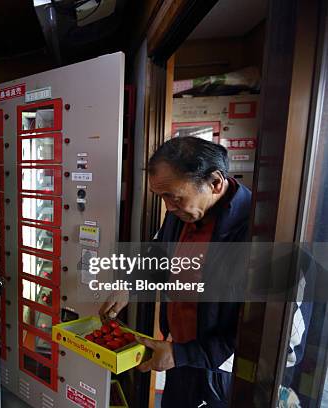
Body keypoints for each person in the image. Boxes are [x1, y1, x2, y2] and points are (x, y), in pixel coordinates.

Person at [100, 136, 251, 407]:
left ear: (215, 183)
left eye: (174, 197)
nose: (168, 207)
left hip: (220, 373)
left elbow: (265, 338)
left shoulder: (257, 232)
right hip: (178, 353)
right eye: (163, 197)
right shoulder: (181, 213)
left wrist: (183, 354)